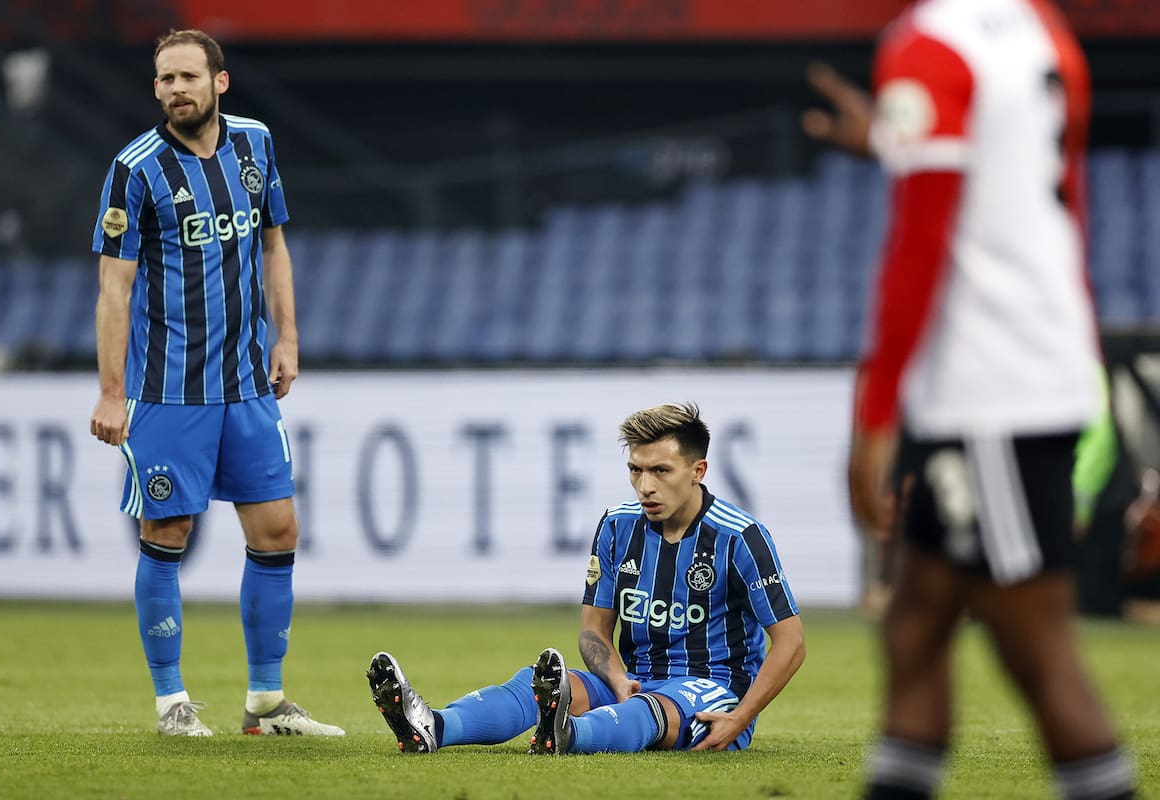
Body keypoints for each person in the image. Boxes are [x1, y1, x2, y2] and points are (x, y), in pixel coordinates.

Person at [802, 1, 1135, 797]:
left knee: (1038, 651)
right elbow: (1043, 192)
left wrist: (874, 414)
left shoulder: (927, 45)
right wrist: (888, 139)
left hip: (990, 388)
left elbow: (919, 244)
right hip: (1017, 361)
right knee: (914, 626)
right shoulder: (1037, 29)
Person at [89, 29, 342, 738]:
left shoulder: (255, 145)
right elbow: (114, 289)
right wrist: (113, 391)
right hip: (169, 391)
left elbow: (273, 244)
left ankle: (266, 701)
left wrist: (287, 338)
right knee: (166, 530)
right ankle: (172, 703)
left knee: (277, 530)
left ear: (219, 83)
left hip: (247, 385)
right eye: (163, 79)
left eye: (187, 77)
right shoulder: (134, 170)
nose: (174, 90)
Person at [367, 403, 805, 755]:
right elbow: (594, 630)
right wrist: (614, 678)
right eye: (636, 469)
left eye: (660, 471)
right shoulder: (617, 525)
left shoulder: (740, 536)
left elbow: (791, 642)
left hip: (711, 690)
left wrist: (741, 717)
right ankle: (433, 725)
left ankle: (568, 735)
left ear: (698, 471)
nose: (645, 486)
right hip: (633, 676)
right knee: (539, 686)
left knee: (647, 710)